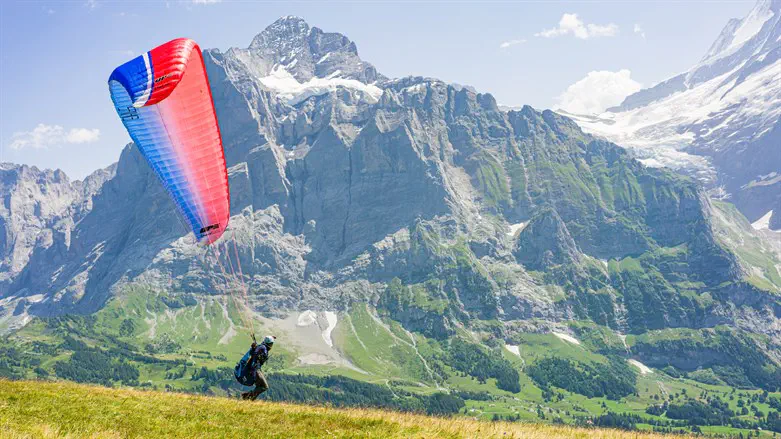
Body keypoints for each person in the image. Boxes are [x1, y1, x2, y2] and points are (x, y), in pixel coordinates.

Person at [235, 335, 275, 401]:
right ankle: (246, 396)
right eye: (272, 343)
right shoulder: (263, 348)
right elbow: (256, 354)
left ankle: (249, 400)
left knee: (259, 387)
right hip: (256, 371)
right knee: (264, 387)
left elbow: (255, 352)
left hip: (256, 370)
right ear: (270, 344)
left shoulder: (261, 346)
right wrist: (257, 353)